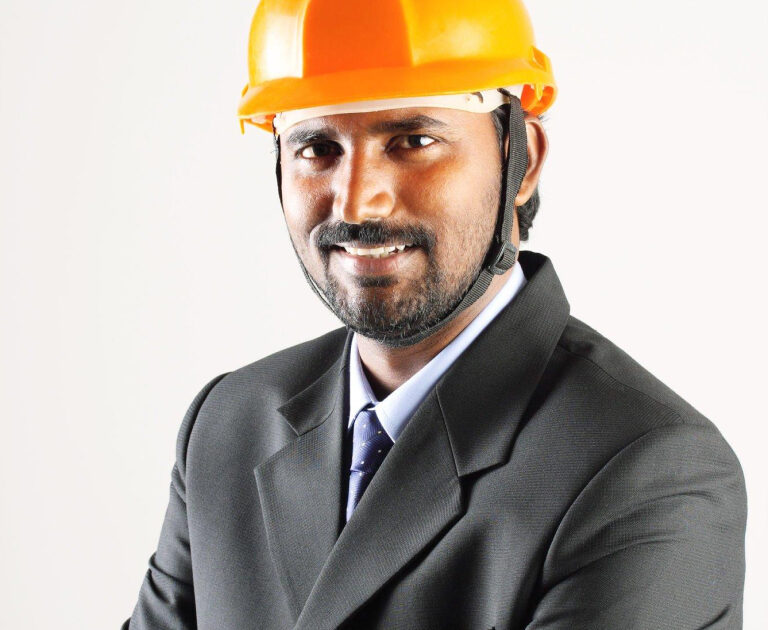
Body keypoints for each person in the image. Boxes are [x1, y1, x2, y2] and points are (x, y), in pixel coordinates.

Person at [122, 1, 747, 628]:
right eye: (317, 147)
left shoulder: (645, 472)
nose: (357, 201)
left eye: (413, 142)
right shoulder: (227, 426)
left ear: (522, 160)